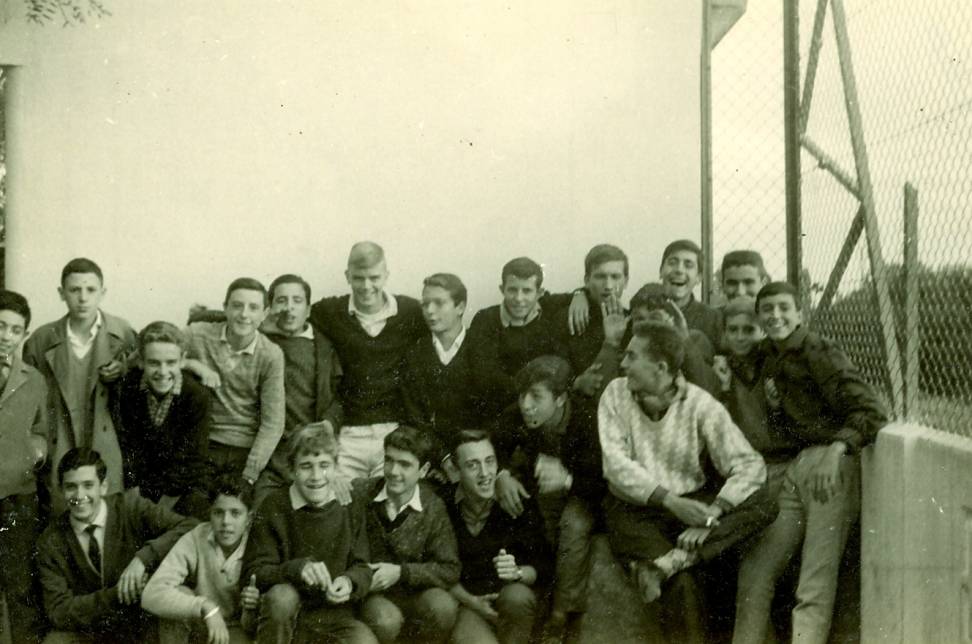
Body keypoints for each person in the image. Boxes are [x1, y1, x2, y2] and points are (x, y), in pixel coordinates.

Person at [598, 322, 774, 644]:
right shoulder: (614, 395)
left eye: (632, 357)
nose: (623, 364)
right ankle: (675, 565)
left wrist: (713, 515)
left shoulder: (700, 404)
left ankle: (674, 561)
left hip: (693, 505)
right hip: (635, 510)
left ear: (661, 368)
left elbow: (749, 464)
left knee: (767, 502)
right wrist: (671, 502)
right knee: (684, 585)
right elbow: (616, 466)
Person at [732, 282, 888, 644]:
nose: (775, 315)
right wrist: (773, 407)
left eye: (783, 307)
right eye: (767, 309)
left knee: (814, 584)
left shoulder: (818, 350)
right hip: (796, 469)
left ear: (799, 312)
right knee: (755, 575)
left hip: (830, 468)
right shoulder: (770, 353)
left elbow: (871, 411)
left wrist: (836, 451)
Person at [490, 356, 604, 642]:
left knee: (572, 525)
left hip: (585, 495)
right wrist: (501, 475)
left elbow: (604, 484)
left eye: (536, 396)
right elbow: (495, 441)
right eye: (522, 395)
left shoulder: (589, 421)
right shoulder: (518, 413)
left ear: (561, 399)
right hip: (544, 495)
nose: (526, 404)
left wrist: (567, 480)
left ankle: (562, 615)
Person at [37, 448, 197, 643]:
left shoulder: (130, 507)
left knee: (181, 599)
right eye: (71, 486)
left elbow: (190, 526)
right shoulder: (51, 541)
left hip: (141, 623)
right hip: (90, 630)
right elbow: (58, 611)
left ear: (103, 487)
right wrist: (116, 595)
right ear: (61, 490)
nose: (79, 495)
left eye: (88, 485)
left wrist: (143, 558)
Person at [242, 423, 376, 644]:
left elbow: (362, 565)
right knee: (282, 597)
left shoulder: (350, 505)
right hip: (287, 616)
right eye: (306, 466)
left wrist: (349, 582)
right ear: (292, 469)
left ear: (335, 467)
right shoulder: (274, 505)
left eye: (324, 465)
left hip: (335, 617)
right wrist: (297, 569)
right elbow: (253, 572)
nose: (316, 476)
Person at [23, 257, 137, 513]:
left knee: (106, 515)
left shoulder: (123, 334)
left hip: (106, 442)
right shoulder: (42, 340)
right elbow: (29, 405)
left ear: (103, 292)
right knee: (63, 511)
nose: (83, 298)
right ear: (61, 293)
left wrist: (124, 370)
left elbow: (141, 385)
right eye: (74, 290)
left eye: (90, 290)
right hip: (59, 439)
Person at [309, 242, 426, 481]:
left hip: (396, 431)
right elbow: (282, 319)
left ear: (386, 275)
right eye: (358, 278)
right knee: (337, 502)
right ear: (347, 276)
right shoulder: (330, 311)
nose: (366, 286)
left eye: (374, 278)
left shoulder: (411, 312)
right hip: (349, 433)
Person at [354, 426, 460, 644]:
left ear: (423, 470)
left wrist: (401, 573)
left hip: (414, 593)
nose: (393, 471)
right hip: (372, 595)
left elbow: (450, 568)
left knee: (443, 607)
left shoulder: (433, 506)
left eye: (404, 464)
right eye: (389, 460)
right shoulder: (361, 493)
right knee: (386, 620)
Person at [446, 430, 552, 644]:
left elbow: (545, 565)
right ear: (456, 471)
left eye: (490, 461)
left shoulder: (516, 501)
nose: (485, 473)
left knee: (517, 597)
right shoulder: (443, 505)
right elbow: (433, 568)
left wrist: (517, 572)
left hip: (510, 603)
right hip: (468, 603)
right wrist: (473, 603)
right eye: (473, 465)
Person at [184, 278, 285, 490]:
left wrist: (250, 473)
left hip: (245, 450)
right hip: (203, 444)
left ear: (264, 314)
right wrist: (192, 363)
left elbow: (273, 422)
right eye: (237, 305)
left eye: (253, 308)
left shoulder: (271, 355)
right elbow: (151, 354)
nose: (244, 315)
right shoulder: (197, 334)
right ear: (225, 308)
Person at [256, 274, 343, 506]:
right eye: (281, 300)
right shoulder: (259, 341)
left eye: (297, 300)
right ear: (270, 307)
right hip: (272, 457)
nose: (289, 308)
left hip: (313, 451)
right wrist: (259, 321)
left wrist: (329, 422)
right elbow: (208, 317)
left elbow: (340, 396)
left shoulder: (323, 346)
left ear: (308, 309)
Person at [142, 474, 260, 644]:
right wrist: (206, 606)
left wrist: (252, 607)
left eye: (235, 513)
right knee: (180, 594)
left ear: (248, 518)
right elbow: (151, 594)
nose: (226, 522)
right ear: (210, 513)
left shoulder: (258, 543)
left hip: (237, 630)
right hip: (203, 623)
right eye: (218, 513)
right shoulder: (198, 537)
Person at [119, 321, 212, 519]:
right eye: (154, 363)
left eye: (170, 363)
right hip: (143, 489)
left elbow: (193, 459)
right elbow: (128, 449)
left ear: (182, 360)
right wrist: (140, 498)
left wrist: (163, 504)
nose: (162, 372)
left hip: (183, 488)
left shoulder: (196, 396)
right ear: (141, 361)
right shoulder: (129, 389)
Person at [0, 289, 49, 643]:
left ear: (24, 335)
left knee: (21, 586)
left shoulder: (33, 379)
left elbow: (41, 430)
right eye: (0, 326)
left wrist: (32, 455)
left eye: (15, 330)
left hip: (17, 496)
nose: (6, 336)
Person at [467, 257, 570, 418]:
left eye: (527, 291)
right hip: (500, 407)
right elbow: (485, 375)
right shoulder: (485, 319)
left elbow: (574, 295)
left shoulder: (548, 312)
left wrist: (580, 294)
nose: (519, 298)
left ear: (539, 293)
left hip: (542, 408)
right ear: (502, 289)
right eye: (512, 290)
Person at [401, 273, 485, 461]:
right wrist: (443, 458)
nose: (429, 311)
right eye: (425, 304)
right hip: (432, 457)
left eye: (439, 303)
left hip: (477, 454)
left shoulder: (482, 349)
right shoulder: (415, 354)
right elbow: (415, 419)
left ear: (460, 307)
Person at [554, 244, 630, 399]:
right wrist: (576, 382)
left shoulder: (632, 320)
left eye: (615, 277)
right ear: (587, 280)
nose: (608, 286)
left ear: (626, 281)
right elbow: (554, 371)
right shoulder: (568, 317)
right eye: (600, 277)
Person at [658, 240, 722, 349]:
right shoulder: (644, 310)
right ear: (661, 271)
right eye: (672, 263)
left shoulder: (712, 319)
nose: (679, 270)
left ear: (699, 278)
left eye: (688, 265)